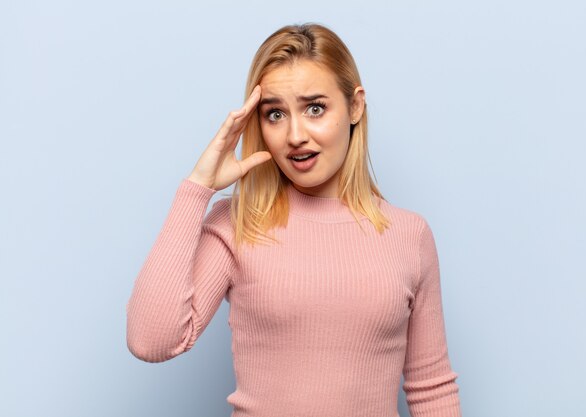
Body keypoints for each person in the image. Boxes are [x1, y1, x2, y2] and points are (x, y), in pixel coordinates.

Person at [126, 23, 462, 417]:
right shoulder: (238, 223)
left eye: (314, 108)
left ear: (355, 106)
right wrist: (197, 188)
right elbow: (151, 340)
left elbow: (431, 388)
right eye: (275, 114)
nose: (295, 135)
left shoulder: (409, 234)